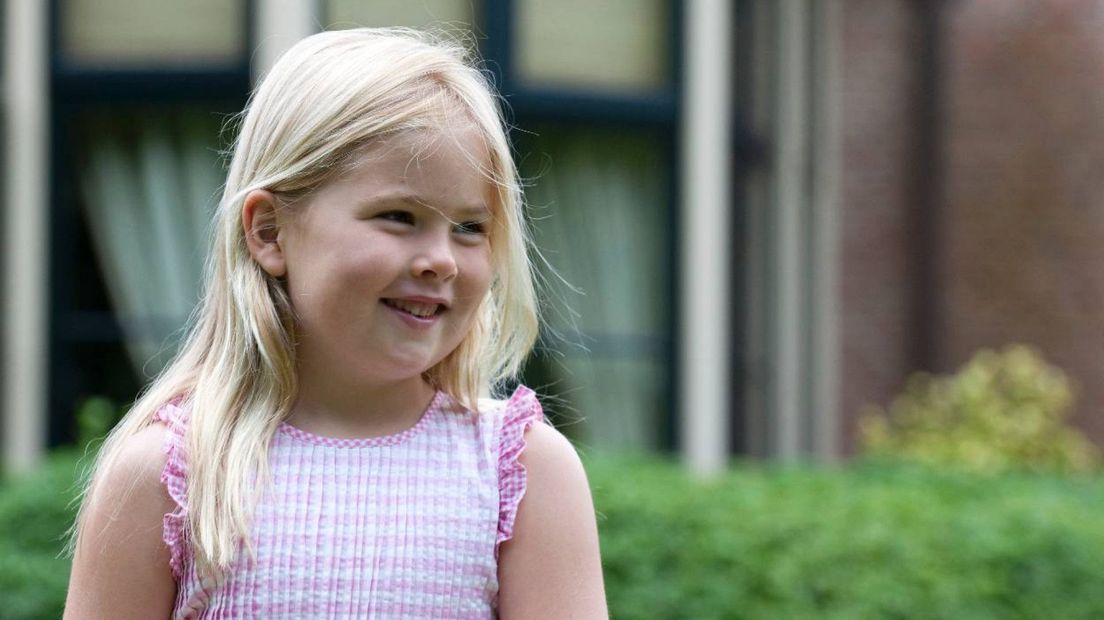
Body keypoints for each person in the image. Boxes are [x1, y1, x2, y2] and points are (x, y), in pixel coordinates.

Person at [64, 27, 607, 619]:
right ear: (269, 232)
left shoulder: (521, 474)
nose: (442, 260)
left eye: (470, 227)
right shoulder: (169, 476)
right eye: (398, 216)